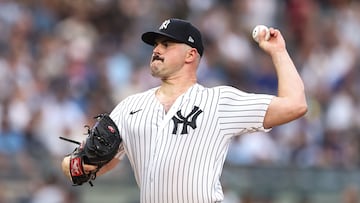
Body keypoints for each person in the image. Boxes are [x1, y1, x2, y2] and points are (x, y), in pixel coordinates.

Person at [61, 18, 307, 203]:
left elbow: (295, 105)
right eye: (156, 44)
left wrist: (278, 52)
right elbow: (97, 162)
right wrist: (74, 165)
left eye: (166, 44)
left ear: (191, 55)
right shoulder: (129, 107)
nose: (156, 49)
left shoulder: (218, 101)